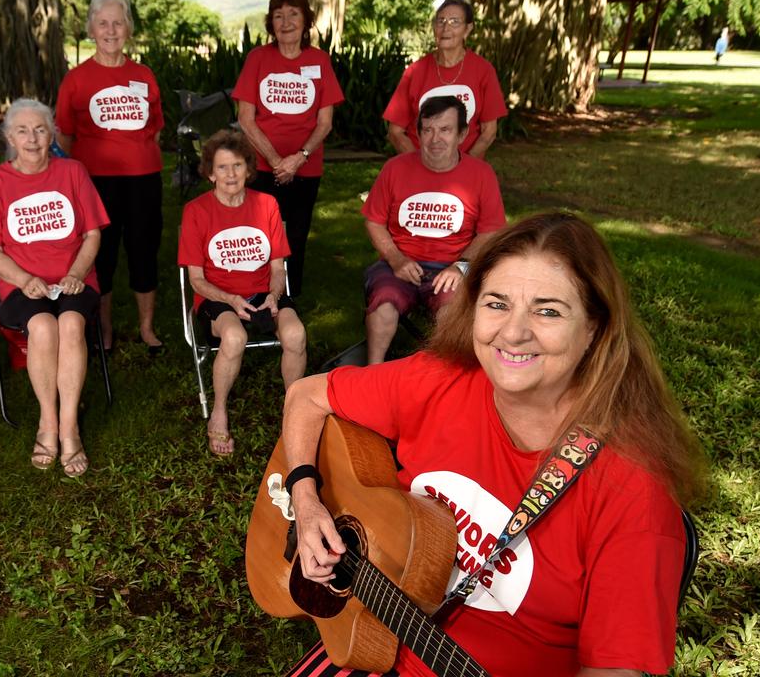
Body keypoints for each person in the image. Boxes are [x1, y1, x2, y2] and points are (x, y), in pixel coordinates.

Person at [279, 212, 707, 677]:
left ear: (594, 330)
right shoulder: (442, 380)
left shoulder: (632, 493)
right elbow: (306, 396)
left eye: (548, 310)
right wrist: (306, 500)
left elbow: (616, 667)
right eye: (497, 303)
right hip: (375, 636)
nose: (514, 332)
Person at [0, 99, 108, 477]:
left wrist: (77, 272)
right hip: (21, 286)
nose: (32, 139)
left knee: (72, 325)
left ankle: (69, 428)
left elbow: (93, 235)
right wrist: (24, 279)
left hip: (75, 279)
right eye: (23, 131)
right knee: (44, 327)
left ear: (53, 135)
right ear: (10, 137)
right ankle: (48, 422)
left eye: (40, 129)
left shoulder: (73, 171)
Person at [179, 130, 307, 456]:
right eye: (222, 167)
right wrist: (230, 299)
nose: (231, 174)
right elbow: (196, 279)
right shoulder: (196, 211)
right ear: (210, 172)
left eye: (237, 166)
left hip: (264, 292)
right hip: (217, 297)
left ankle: (294, 411)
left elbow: (279, 269)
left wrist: (275, 295)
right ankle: (218, 412)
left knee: (295, 334)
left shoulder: (266, 205)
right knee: (233, 338)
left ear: (248, 169)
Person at [56, 0, 165, 355]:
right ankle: (103, 328)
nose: (110, 30)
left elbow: (156, 126)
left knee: (144, 250)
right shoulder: (76, 79)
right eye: (103, 23)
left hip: (144, 179)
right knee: (100, 254)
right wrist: (75, 179)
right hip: (94, 182)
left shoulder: (143, 74)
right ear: (91, 28)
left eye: (118, 22)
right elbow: (64, 135)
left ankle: (146, 327)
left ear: (129, 28)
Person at [362, 95, 505, 365]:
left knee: (453, 310)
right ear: (417, 133)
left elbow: (491, 231)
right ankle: (372, 373)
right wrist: (396, 259)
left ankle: (443, 377)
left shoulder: (481, 174)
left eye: (445, 130)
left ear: (462, 134)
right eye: (427, 130)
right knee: (384, 305)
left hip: (452, 265)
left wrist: (460, 266)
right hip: (399, 263)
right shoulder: (395, 168)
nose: (434, 139)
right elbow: (374, 220)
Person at [234, 0, 344, 299]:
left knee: (295, 236)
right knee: (258, 234)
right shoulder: (258, 58)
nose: (285, 22)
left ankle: (287, 301)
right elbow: (246, 118)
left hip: (305, 168)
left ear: (305, 20)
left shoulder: (319, 61)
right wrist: (275, 159)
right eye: (278, 16)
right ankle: (253, 296)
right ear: (271, 23)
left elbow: (325, 122)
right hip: (261, 167)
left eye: (293, 15)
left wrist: (298, 157)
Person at [383, 0, 507, 160]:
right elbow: (395, 131)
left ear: (467, 29)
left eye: (455, 21)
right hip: (421, 169)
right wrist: (420, 166)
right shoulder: (415, 71)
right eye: (440, 21)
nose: (445, 27)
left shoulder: (483, 70)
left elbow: (489, 132)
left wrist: (464, 167)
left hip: (465, 171)